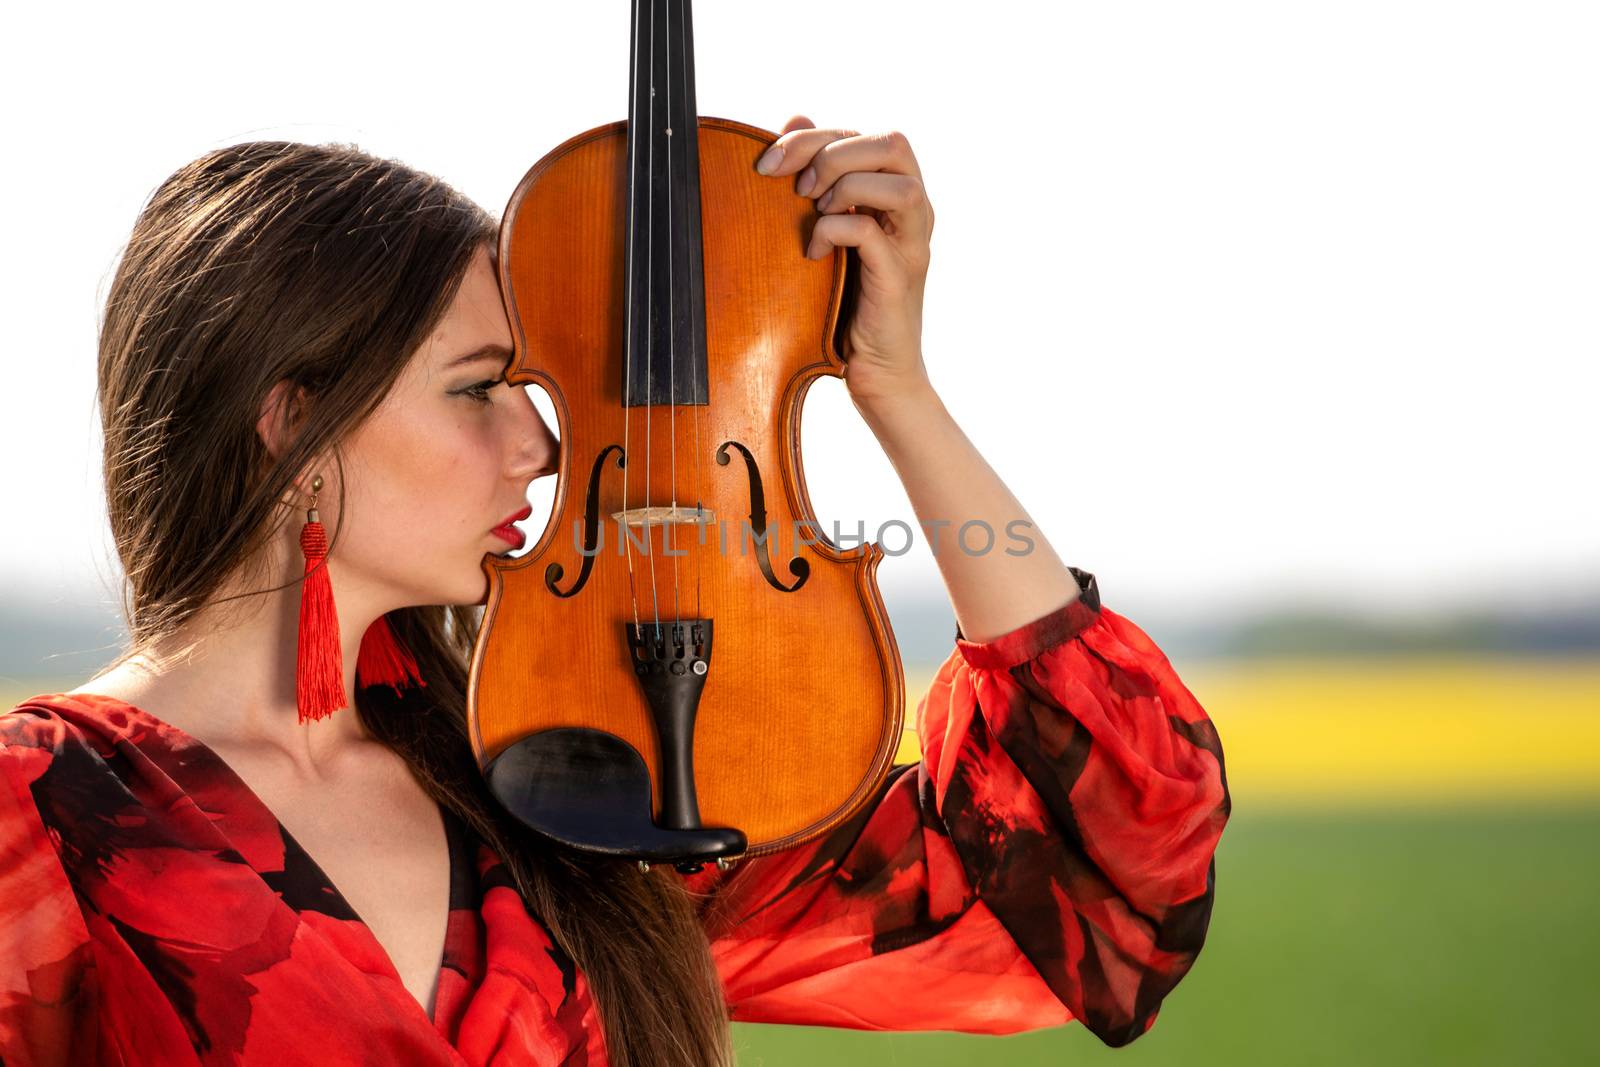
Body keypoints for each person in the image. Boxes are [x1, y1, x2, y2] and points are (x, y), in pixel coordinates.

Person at [0, 117, 1231, 1067]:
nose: (542, 445)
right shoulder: (38, 819)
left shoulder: (557, 789)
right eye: (479, 388)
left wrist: (892, 385)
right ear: (292, 421)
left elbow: (1095, 882)